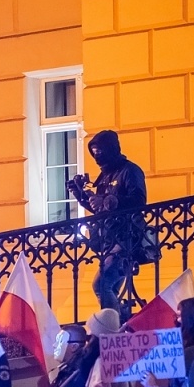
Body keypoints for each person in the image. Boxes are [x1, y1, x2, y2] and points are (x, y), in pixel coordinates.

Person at [67, 130, 152, 315]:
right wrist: (81, 196)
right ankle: (121, 318)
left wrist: (108, 200)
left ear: (111, 149)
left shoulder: (129, 170)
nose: (97, 157)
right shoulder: (105, 176)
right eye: (94, 153)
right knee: (109, 288)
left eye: (100, 152)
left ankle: (113, 326)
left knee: (102, 284)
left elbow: (138, 200)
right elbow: (101, 210)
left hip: (126, 239)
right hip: (108, 240)